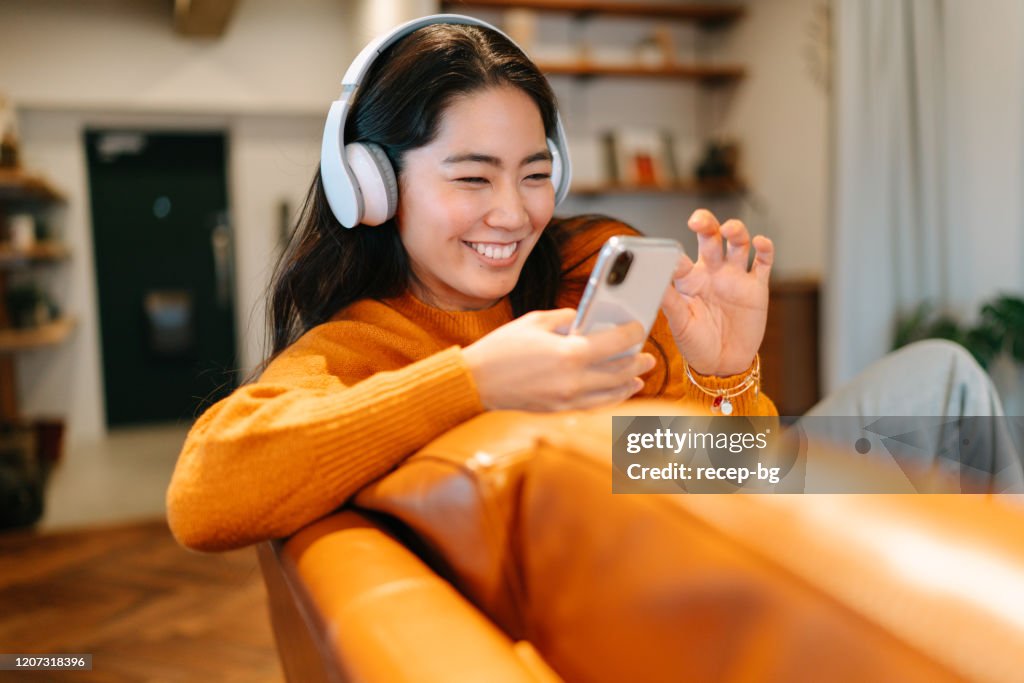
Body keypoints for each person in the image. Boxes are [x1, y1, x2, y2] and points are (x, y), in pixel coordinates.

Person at [166, 15, 1019, 552]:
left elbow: (736, 463)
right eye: (472, 177)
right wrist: (472, 382)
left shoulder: (592, 259)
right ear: (373, 186)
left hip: (717, 503)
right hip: (652, 555)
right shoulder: (364, 344)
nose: (512, 212)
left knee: (942, 375)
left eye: (535, 173)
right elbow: (203, 493)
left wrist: (724, 374)